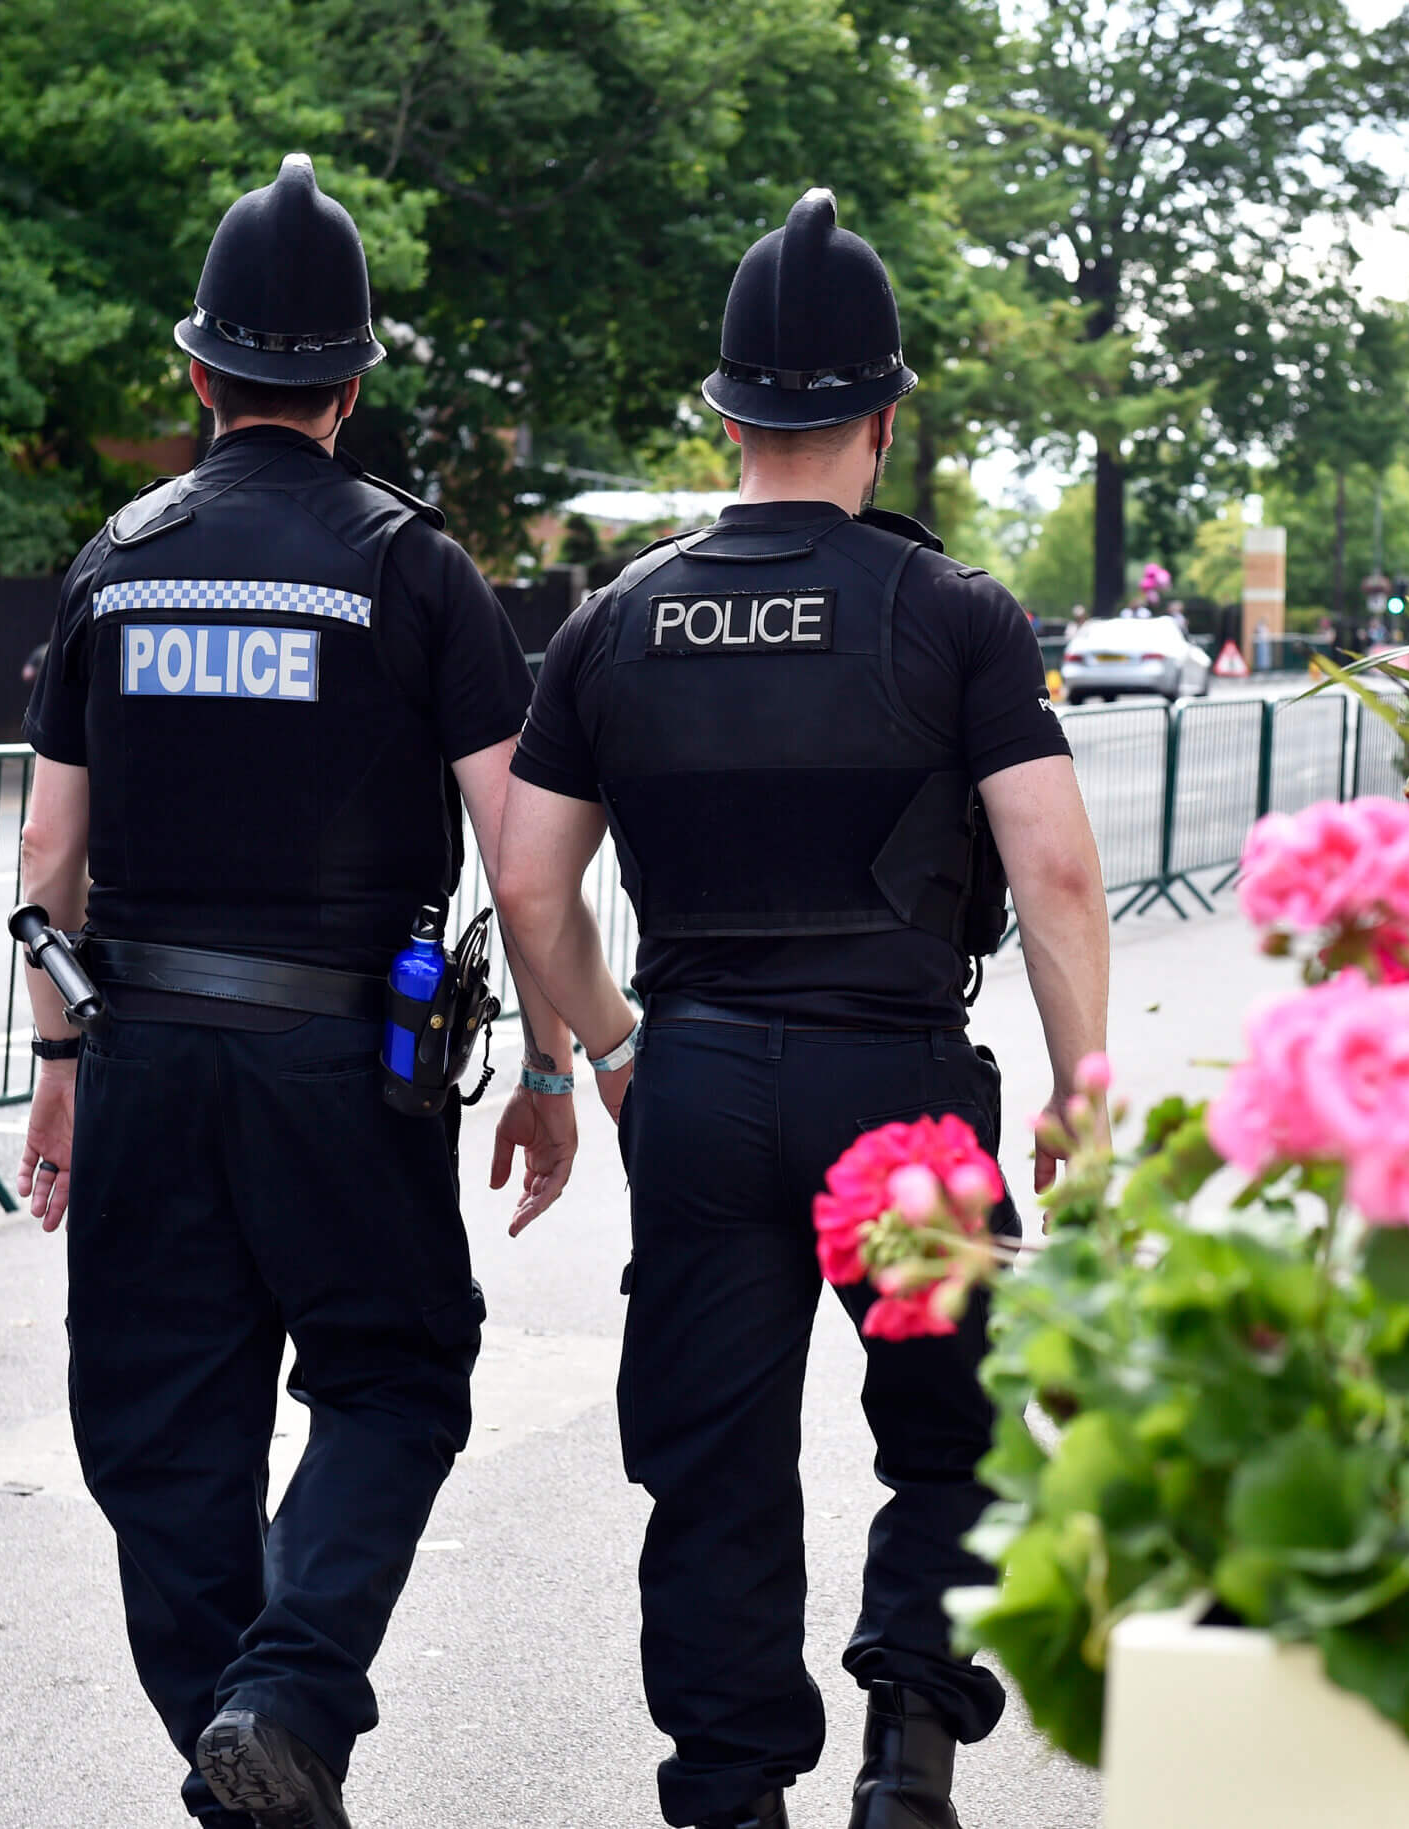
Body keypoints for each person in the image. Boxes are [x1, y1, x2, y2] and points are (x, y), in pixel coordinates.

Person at [15, 153, 629, 1829]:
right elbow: (522, 858)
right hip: (342, 1061)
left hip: (138, 1044)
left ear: (199, 373)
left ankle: (249, 1743)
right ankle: (278, 1711)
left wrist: (62, 1059)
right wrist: (559, 1065)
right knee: (393, 1374)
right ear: (349, 384)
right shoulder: (416, 571)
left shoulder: (113, 564)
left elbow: (48, 843)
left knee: (162, 1420)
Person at [495, 189, 1111, 1829]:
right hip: (897, 1094)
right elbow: (1051, 871)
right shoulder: (959, 614)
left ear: (729, 414)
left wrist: (610, 1046)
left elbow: (530, 883)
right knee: (947, 1422)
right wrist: (1081, 1086)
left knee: (708, 1457)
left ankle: (724, 1793)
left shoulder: (614, 618)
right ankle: (908, 1738)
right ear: (883, 422)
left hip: (694, 1082)